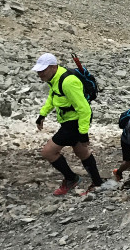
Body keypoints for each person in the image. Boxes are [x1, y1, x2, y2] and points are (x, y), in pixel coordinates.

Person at [32, 53, 104, 195]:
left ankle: (71, 179)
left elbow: (84, 109)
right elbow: (53, 97)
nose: (39, 74)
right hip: (69, 120)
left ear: (53, 67)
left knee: (48, 152)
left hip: (74, 122)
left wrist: (83, 133)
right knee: (81, 152)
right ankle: (98, 183)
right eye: (38, 71)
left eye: (42, 70)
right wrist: (43, 114)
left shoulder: (68, 82)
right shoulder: (54, 78)